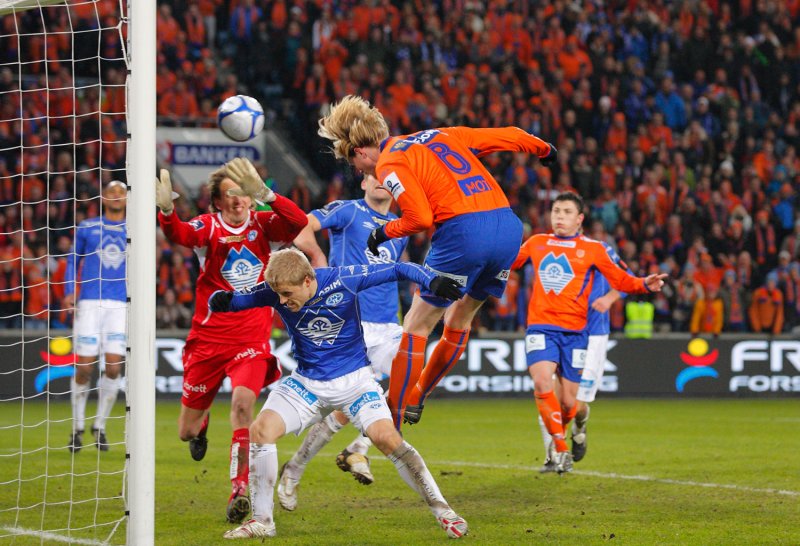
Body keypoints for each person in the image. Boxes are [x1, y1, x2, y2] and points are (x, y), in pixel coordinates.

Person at [317, 94, 558, 428]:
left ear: (359, 152)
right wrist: (543, 149)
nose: (361, 171)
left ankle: (392, 423)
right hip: (508, 228)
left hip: (464, 232)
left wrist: (383, 232)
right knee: (459, 319)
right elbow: (509, 135)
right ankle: (417, 395)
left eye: (356, 165)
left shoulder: (389, 162)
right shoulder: (439, 135)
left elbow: (419, 218)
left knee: (416, 325)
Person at [208, 248, 468, 539]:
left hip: (356, 383)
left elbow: (398, 268)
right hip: (306, 384)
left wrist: (431, 280)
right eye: (278, 294)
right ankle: (262, 522)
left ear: (308, 280)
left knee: (388, 438)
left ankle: (445, 513)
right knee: (261, 431)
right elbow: (232, 299)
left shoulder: (343, 279)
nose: (281, 301)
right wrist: (220, 301)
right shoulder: (273, 291)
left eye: (287, 294)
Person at [155, 157, 308, 524]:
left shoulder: (264, 225)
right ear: (217, 202)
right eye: (229, 195)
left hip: (251, 339)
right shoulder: (208, 227)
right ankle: (202, 426)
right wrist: (167, 212)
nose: (238, 200)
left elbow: (298, 221)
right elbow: (180, 235)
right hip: (208, 340)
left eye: (243, 193)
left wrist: (267, 195)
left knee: (242, 406)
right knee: (186, 431)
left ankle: (239, 489)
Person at [513, 192, 666, 473]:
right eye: (556, 211)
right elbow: (508, 263)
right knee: (544, 384)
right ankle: (556, 452)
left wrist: (640, 285)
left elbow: (623, 279)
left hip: (586, 331)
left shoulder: (597, 250)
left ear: (580, 219)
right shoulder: (537, 242)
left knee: (572, 403)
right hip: (543, 327)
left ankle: (579, 427)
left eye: (566, 212)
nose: (559, 216)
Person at [279, 174, 407, 507]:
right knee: (341, 408)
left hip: (388, 325)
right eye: (373, 175)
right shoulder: (348, 211)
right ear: (363, 182)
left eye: (387, 176)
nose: (380, 181)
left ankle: (358, 447)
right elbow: (301, 225)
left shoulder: (401, 225)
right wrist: (317, 260)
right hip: (348, 324)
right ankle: (295, 468)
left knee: (413, 376)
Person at [65, 180, 128, 453]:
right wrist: (70, 291)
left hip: (119, 304)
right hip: (89, 302)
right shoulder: (88, 226)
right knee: (84, 367)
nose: (116, 196)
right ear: (103, 197)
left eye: (121, 192)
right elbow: (72, 259)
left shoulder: (135, 228)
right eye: (111, 192)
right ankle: (77, 427)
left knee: (113, 367)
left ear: (127, 199)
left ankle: (99, 425)